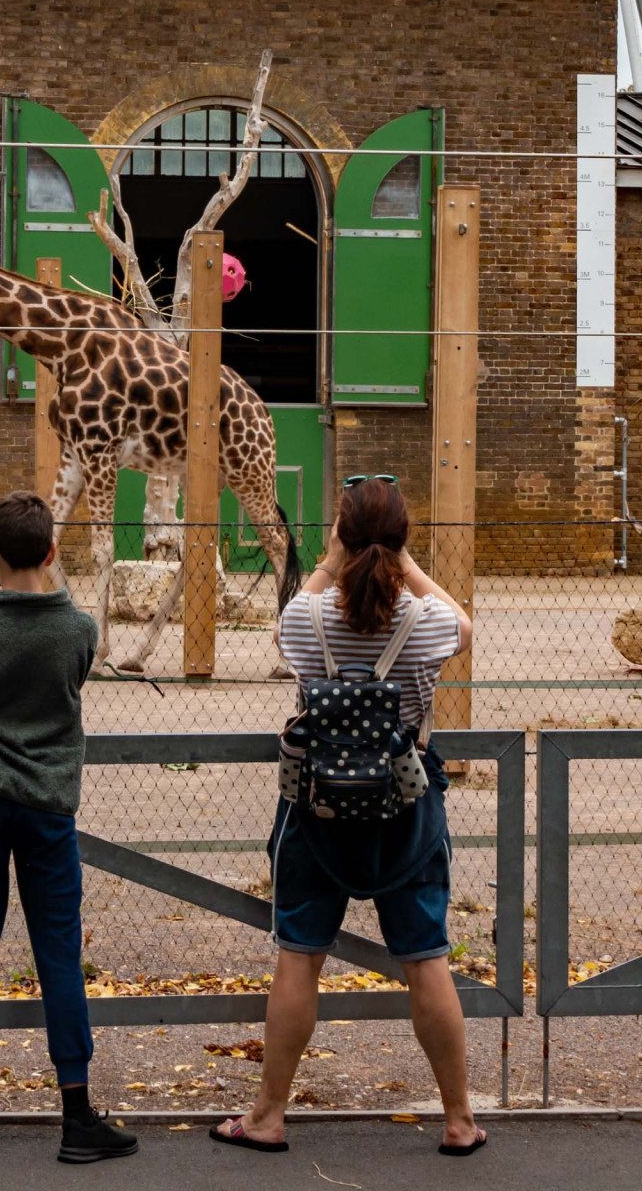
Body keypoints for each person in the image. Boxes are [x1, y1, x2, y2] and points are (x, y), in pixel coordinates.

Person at [211, 474, 485, 1158]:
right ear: (401, 540)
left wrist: (332, 560)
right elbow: (465, 625)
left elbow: (284, 628)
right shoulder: (425, 624)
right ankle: (458, 1119)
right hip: (406, 809)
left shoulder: (307, 620)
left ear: (340, 534)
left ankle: (268, 1115)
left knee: (300, 956)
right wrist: (408, 563)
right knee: (426, 958)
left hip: (318, 809)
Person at [0, 489, 138, 1164]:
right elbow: (71, 672)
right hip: (47, 808)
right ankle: (76, 1113)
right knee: (58, 956)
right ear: (52, 552)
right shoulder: (77, 630)